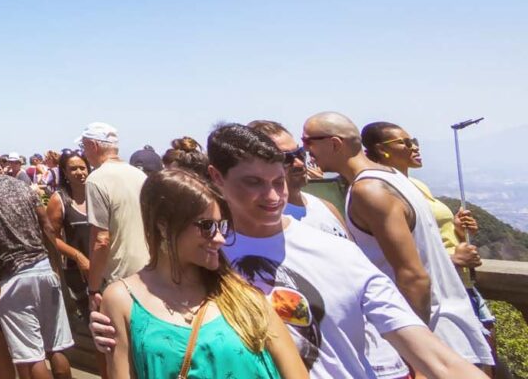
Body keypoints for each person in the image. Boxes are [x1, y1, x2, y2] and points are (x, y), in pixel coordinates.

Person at [92, 123, 488, 379]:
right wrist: (119, 324)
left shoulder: (336, 251)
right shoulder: (207, 251)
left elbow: (433, 355)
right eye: (253, 183)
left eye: (278, 181)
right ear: (216, 177)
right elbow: (156, 302)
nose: (273, 197)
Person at [303, 112, 493, 370]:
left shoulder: (369, 191)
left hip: (431, 335)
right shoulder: (393, 177)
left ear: (335, 143)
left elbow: (412, 275)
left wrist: (413, 354)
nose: (304, 150)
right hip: (450, 327)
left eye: (308, 141)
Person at [98, 168, 306, 379]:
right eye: (207, 226)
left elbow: (296, 374)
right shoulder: (122, 300)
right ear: (163, 226)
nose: (219, 239)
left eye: (221, 226)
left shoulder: (243, 296)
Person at [361, 121, 496, 343]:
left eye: (414, 141)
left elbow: (430, 238)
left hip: (460, 285)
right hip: (439, 294)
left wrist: (459, 231)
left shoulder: (417, 185)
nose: (414, 147)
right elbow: (393, 256)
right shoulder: (382, 193)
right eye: (404, 143)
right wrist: (453, 259)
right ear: (381, 150)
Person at [0, 140, 73, 379]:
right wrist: (55, 267)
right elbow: (47, 228)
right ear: (0, 160)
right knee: (56, 347)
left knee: (31, 355)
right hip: (44, 268)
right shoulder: (24, 187)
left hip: (13, 277)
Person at [81, 123, 149, 314]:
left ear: (93, 146)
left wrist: (93, 288)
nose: (84, 153)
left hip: (119, 279)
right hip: (148, 272)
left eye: (84, 147)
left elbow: (101, 240)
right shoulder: (139, 175)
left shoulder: (96, 179)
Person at [245, 121, 347, 240]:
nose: (298, 163)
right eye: (285, 158)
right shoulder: (268, 222)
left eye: (300, 153)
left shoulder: (326, 207)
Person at [45, 151, 92, 318]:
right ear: (64, 172)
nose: (79, 172)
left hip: (101, 268)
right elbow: (51, 238)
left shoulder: (97, 195)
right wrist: (78, 256)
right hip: (75, 273)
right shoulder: (59, 200)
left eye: (82, 168)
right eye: (73, 169)